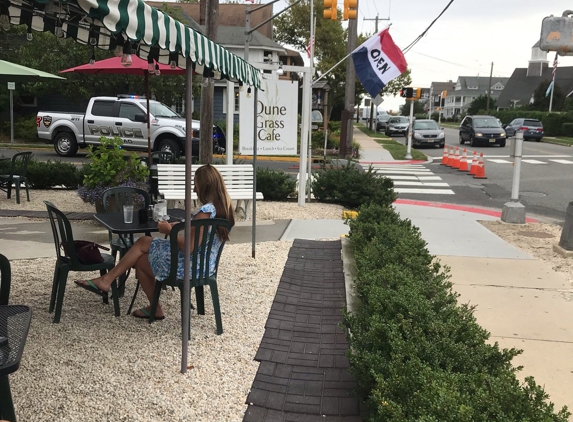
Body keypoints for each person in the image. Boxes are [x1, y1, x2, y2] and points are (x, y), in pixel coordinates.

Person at [75, 164, 235, 320]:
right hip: (205, 266)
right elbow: (201, 237)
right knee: (143, 246)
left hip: (189, 267)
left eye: (196, 185)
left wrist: (169, 231)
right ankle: (109, 281)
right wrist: (180, 226)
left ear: (205, 186)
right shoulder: (223, 209)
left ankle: (120, 288)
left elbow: (190, 247)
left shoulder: (205, 212)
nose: (194, 189)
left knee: (141, 254)